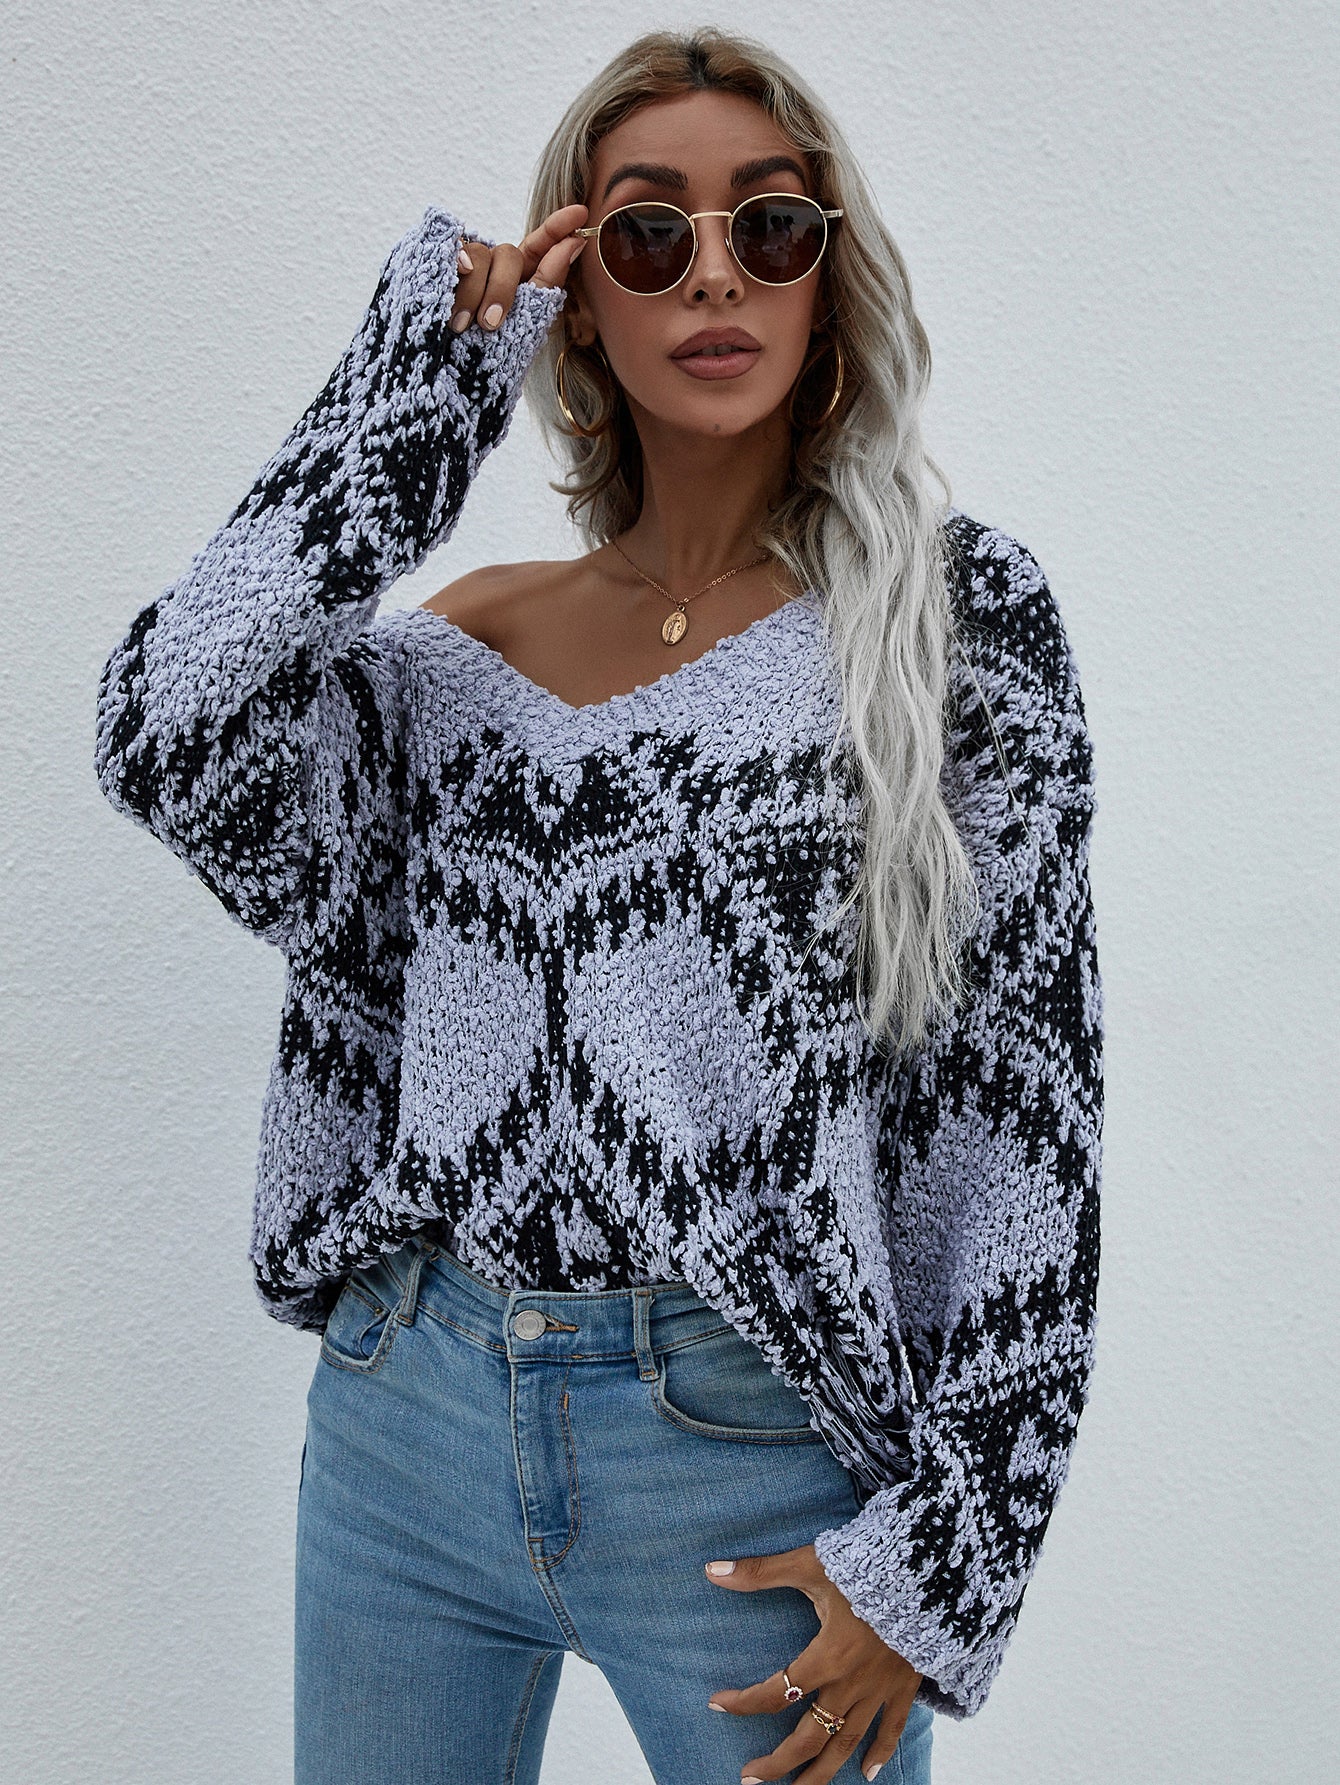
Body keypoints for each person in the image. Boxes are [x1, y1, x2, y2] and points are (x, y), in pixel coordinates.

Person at [92, 25, 1103, 1785]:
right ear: (575, 300)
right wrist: (416, 384)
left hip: (753, 1454)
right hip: (409, 1423)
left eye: (768, 227)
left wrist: (946, 1559)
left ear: (829, 280)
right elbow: (167, 731)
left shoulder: (952, 627)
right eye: (648, 233)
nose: (714, 273)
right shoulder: (455, 654)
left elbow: (1021, 1113)